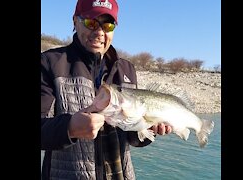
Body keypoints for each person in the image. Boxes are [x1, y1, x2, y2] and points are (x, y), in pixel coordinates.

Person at [41, 0, 172, 179]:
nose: (99, 32)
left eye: (108, 25)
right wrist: (69, 128)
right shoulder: (50, 63)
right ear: (75, 21)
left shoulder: (126, 69)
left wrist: (151, 129)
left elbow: (133, 139)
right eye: (91, 23)